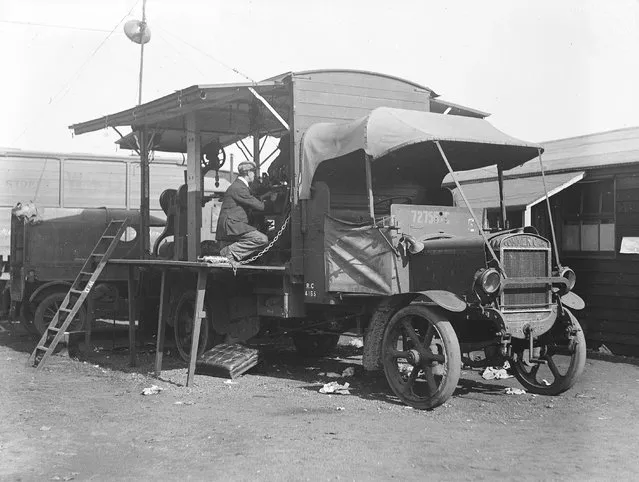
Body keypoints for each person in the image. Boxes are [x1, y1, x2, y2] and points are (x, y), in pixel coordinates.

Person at [216, 161, 275, 262]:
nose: (255, 176)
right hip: (232, 225)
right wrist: (273, 201)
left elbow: (250, 199)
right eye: (254, 173)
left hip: (231, 224)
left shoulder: (238, 186)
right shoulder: (239, 188)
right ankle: (229, 252)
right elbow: (260, 207)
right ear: (249, 173)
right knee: (261, 239)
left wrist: (264, 196)